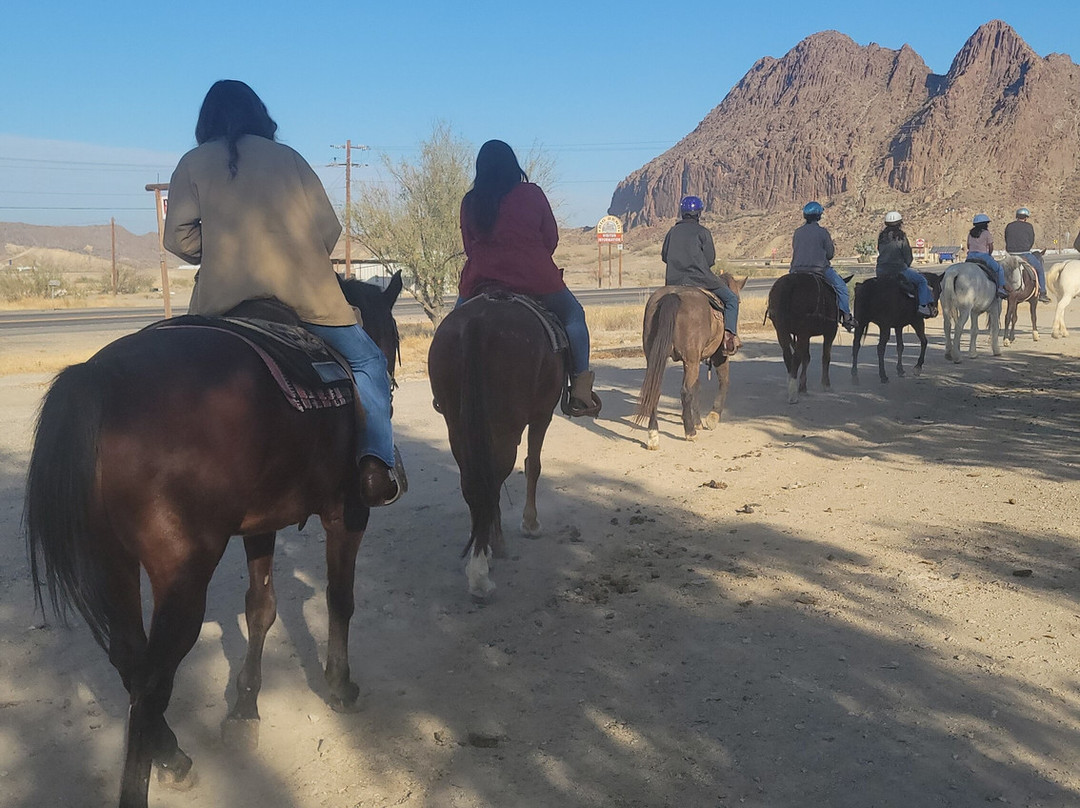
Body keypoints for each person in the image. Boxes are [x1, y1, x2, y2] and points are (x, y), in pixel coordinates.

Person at [163, 79, 404, 507]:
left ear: (206, 120)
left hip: (220, 304)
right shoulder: (290, 159)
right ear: (259, 114)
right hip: (305, 298)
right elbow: (328, 229)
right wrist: (299, 256)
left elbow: (179, 240)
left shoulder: (192, 163)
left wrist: (217, 250)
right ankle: (375, 465)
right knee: (368, 360)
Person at [458, 139, 599, 417]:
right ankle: (580, 388)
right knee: (574, 316)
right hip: (535, 277)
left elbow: (468, 246)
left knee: (452, 326)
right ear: (513, 164)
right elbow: (551, 238)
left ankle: (447, 385)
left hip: (480, 278)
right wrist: (533, 257)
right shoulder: (532, 194)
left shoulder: (471, 201)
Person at [661, 195, 739, 354]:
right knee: (731, 299)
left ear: (682, 212)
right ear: (698, 213)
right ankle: (729, 337)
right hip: (701, 280)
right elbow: (710, 260)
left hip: (673, 282)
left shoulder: (671, 232)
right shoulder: (703, 232)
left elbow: (664, 256)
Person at [790, 201, 856, 330]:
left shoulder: (797, 232)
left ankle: (774, 311)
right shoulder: (823, 232)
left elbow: (795, 249)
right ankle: (847, 317)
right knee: (841, 287)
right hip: (819, 270)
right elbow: (830, 254)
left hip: (796, 270)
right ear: (819, 216)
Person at [876, 211, 935, 317]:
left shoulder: (881, 237)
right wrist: (906, 265)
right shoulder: (901, 237)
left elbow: (880, 251)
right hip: (898, 269)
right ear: (899, 223)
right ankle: (923, 307)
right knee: (922, 281)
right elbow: (908, 256)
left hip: (880, 270)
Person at [1004, 207, 1050, 302]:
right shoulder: (1029, 226)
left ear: (1017, 216)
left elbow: (1006, 238)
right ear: (1026, 217)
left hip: (1011, 255)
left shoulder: (1009, 226)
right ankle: (1042, 293)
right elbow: (1031, 240)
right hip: (1025, 254)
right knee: (1040, 270)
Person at [966, 213, 1008, 299]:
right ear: (985, 224)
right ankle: (1000, 289)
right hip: (983, 256)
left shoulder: (970, 234)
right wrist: (989, 254)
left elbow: (968, 246)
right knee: (999, 269)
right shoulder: (986, 233)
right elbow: (991, 246)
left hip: (970, 257)